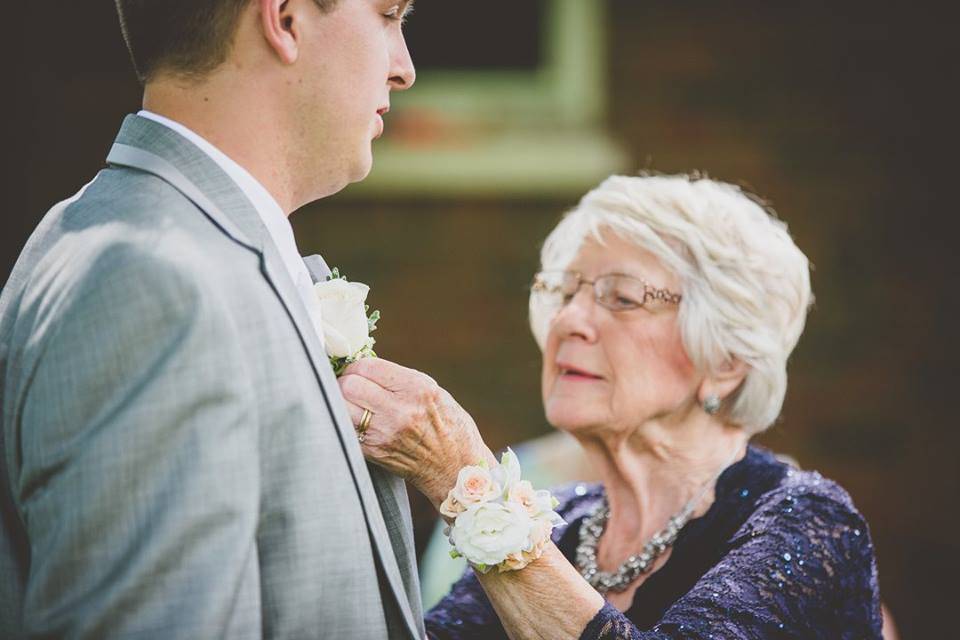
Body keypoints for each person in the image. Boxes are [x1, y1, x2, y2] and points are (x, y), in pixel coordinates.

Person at [0, 0, 423, 637]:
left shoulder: (126, 237)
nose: (405, 68)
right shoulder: (153, 285)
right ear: (283, 19)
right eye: (389, 15)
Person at [340, 174, 884, 638]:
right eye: (564, 293)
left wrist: (465, 481)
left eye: (623, 297)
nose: (569, 320)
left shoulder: (804, 523)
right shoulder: (563, 528)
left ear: (726, 359)